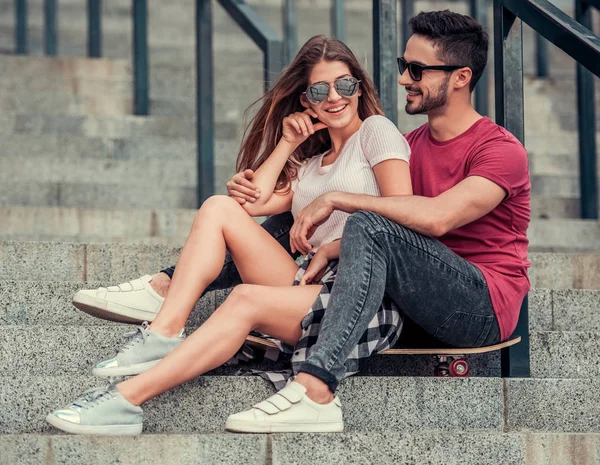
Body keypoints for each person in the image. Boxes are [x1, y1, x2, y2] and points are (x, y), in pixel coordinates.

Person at [46, 35, 412, 435]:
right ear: (305, 100)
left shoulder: (376, 131)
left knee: (243, 298)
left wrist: (336, 246)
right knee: (217, 207)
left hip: (359, 292)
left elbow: (400, 216)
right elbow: (248, 205)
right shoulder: (309, 164)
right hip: (306, 280)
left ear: (358, 86)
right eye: (319, 90)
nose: (334, 98)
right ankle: (164, 331)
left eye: (344, 84)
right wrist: (288, 141)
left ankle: (124, 400)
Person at [224, 9, 530, 432]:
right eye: (405, 67)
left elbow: (439, 218)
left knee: (367, 219)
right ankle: (170, 283)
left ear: (460, 77)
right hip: (410, 296)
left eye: (417, 70)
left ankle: (316, 384)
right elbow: (280, 205)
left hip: (478, 306)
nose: (404, 79)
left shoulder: (500, 150)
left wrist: (337, 199)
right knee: (299, 218)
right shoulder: (404, 145)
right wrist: (314, 210)